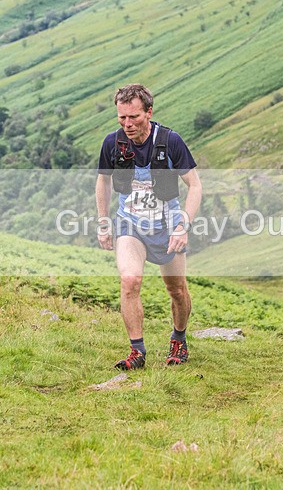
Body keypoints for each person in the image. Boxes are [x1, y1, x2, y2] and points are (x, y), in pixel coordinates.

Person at [96, 83, 202, 369]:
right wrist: (104, 221)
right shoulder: (112, 143)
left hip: (168, 225)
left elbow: (195, 185)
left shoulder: (170, 141)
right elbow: (103, 181)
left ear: (149, 112)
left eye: (134, 117)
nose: (128, 124)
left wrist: (183, 226)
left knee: (177, 289)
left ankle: (178, 339)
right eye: (122, 118)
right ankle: (137, 351)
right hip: (130, 224)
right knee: (130, 281)